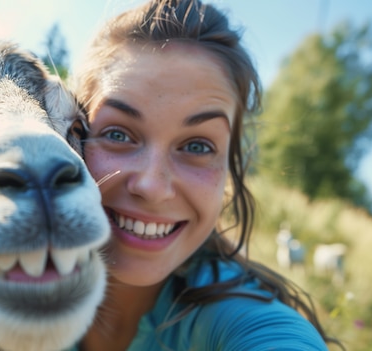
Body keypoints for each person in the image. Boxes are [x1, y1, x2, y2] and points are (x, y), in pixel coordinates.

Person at [68, 0, 343, 350]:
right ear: (72, 135)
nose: (152, 187)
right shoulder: (6, 276)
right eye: (118, 134)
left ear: (230, 167)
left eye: (197, 146)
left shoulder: (246, 325)